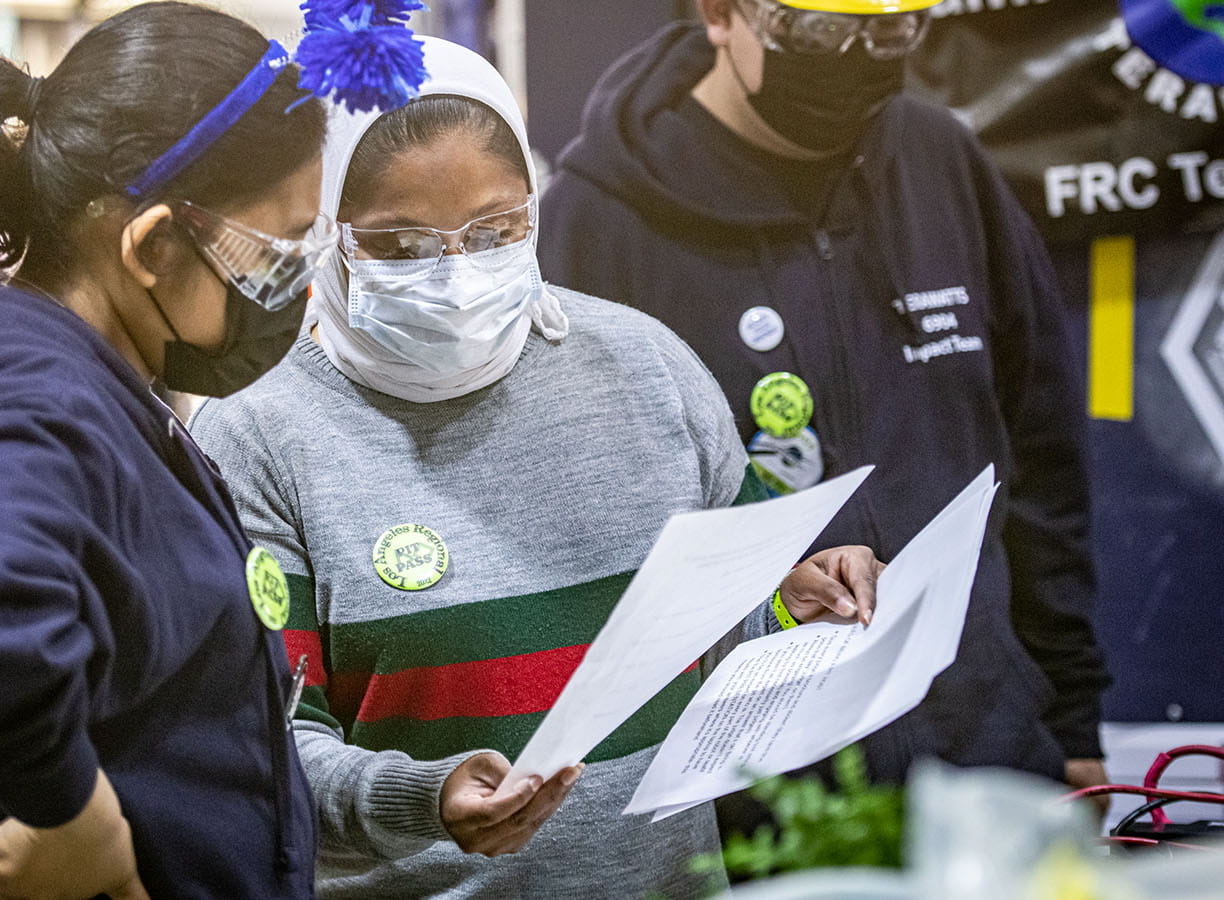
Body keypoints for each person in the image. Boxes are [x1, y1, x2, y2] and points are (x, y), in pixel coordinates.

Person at [187, 37, 884, 898]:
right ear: (328, 233)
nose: (453, 275)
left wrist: (792, 604)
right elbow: (261, 750)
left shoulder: (645, 368)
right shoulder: (258, 434)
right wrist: (424, 798)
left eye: (493, 230)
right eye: (400, 245)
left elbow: (711, 636)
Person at [0, 3, 331, 897]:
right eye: (272, 253)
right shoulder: (32, 402)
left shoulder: (56, 375)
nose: (293, 289)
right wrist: (84, 825)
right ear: (154, 244)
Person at [537, 0, 1111, 803]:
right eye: (819, 30)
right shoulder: (598, 226)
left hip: (987, 765)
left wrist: (1075, 723)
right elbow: (579, 539)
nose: (857, 57)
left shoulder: (942, 162)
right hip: (752, 797)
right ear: (719, 15)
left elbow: (1043, 468)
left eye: (891, 30)